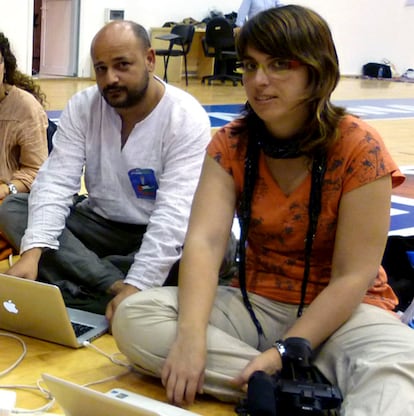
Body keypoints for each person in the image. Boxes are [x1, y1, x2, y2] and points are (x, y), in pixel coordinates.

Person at [111, 5, 414, 414]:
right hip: (256, 303)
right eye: (250, 65)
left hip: (346, 312)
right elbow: (204, 241)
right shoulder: (231, 144)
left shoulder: (360, 147)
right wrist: (191, 336)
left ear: (316, 70)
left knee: (399, 369)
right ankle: (305, 393)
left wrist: (282, 353)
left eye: (279, 65)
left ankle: (277, 386)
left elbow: (353, 277)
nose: (258, 80)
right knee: (136, 317)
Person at [0, 20, 211, 316]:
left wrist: (138, 283)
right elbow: (57, 182)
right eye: (101, 68)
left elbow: (173, 216)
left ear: (150, 60)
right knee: (13, 209)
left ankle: (89, 284)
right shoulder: (84, 106)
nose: (111, 78)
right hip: (99, 224)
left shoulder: (185, 117)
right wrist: (33, 251)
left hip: (158, 229)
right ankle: (115, 287)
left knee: (215, 249)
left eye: (122, 65)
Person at [0, 32, 48, 259]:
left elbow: (37, 171)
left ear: (4, 65)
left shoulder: (25, 108)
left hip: (10, 196)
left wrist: (6, 188)